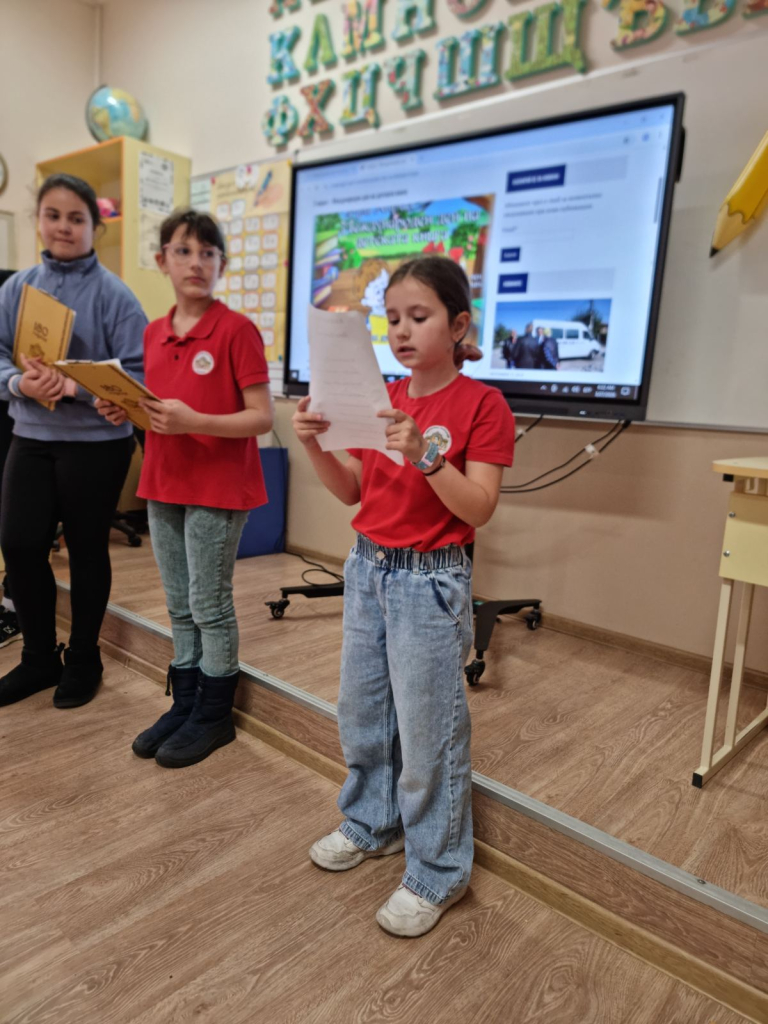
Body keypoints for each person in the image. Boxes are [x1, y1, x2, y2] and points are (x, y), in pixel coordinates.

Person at [292, 256, 515, 938]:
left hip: (431, 579)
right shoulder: (383, 394)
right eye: (392, 319)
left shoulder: (483, 405)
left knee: (428, 731)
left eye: (419, 316)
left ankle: (438, 870)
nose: (401, 330)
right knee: (362, 711)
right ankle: (373, 822)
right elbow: (353, 490)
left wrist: (425, 456)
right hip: (368, 568)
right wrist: (315, 446)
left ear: (459, 324)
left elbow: (478, 507)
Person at [98, 208, 273, 769]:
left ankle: (215, 715)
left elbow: (262, 416)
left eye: (208, 253)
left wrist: (194, 420)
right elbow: (157, 413)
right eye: (183, 251)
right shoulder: (153, 332)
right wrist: (124, 409)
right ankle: (186, 702)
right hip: (164, 482)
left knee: (209, 604)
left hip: (218, 487)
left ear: (221, 263)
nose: (196, 262)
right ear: (162, 260)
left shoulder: (236, 330)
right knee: (178, 604)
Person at [0, 174, 146, 708]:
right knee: (19, 544)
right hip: (31, 435)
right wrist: (19, 383)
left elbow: (140, 374)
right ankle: (39, 658)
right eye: (53, 215)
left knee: (86, 549)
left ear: (94, 227)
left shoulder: (115, 295)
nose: (64, 227)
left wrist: (74, 387)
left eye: (76, 218)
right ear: (38, 221)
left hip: (96, 443)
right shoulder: (16, 289)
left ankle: (84, 658)